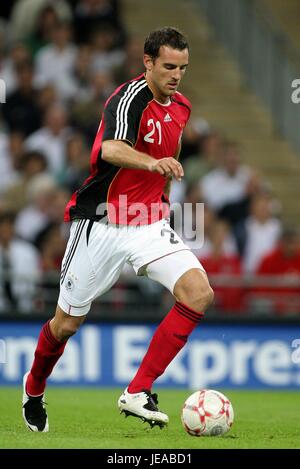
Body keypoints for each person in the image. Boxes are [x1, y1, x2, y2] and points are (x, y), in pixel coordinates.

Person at [22, 27, 214, 432]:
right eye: (168, 66)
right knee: (66, 325)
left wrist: (164, 178)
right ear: (148, 62)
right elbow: (110, 148)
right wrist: (151, 163)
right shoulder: (127, 100)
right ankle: (35, 386)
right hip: (101, 222)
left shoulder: (181, 107)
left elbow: (172, 147)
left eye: (183, 67)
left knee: (198, 293)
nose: (176, 75)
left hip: (148, 222)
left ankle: (138, 390)